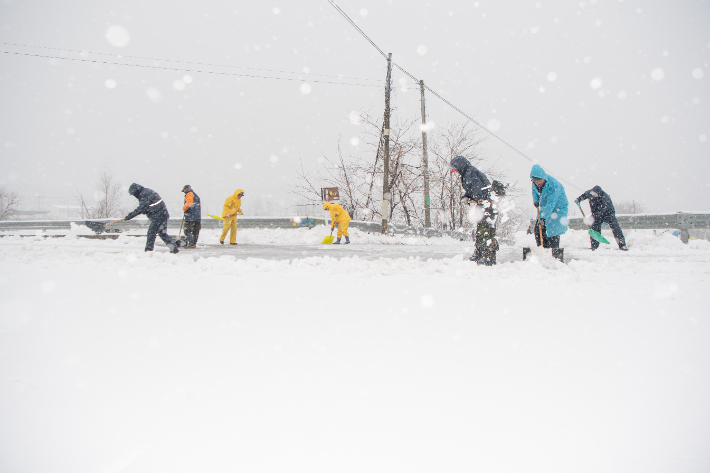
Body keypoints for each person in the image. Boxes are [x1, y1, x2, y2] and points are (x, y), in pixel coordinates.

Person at [450, 155, 504, 266]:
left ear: (460, 167)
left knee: (486, 230)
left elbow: (476, 186)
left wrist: (478, 198)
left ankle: (488, 257)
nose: (456, 173)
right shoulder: (467, 173)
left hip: (486, 204)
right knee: (481, 230)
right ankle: (480, 254)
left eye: (456, 170)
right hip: (484, 204)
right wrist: (466, 196)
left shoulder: (469, 172)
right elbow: (472, 189)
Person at [124, 183, 178, 253]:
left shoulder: (145, 194)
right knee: (162, 233)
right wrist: (145, 211)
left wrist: (129, 216)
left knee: (151, 232)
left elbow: (141, 207)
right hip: (162, 214)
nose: (134, 196)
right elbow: (149, 206)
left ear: (136, 191)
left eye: (133, 194)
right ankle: (173, 248)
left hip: (159, 215)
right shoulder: (146, 192)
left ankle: (148, 250)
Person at [530, 164, 568, 261]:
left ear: (543, 177)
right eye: (535, 181)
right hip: (545, 205)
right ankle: (542, 249)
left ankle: (554, 254)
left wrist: (543, 217)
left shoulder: (553, 184)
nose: (538, 183)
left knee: (553, 229)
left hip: (558, 208)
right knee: (538, 228)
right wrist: (536, 200)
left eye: (539, 180)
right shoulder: (534, 183)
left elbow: (551, 203)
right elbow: (534, 191)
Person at [574, 185, 628, 251]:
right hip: (597, 213)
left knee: (615, 228)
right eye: (592, 194)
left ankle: (622, 245)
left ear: (599, 194)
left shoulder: (605, 198)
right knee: (594, 228)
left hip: (608, 213)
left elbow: (602, 211)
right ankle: (594, 246)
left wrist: (592, 217)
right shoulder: (590, 193)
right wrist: (579, 199)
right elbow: (585, 195)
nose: (593, 195)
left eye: (595, 194)